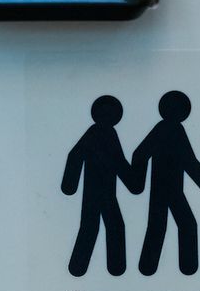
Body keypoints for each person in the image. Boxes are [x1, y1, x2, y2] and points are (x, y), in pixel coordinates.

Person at [130, 90, 200, 276]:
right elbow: (140, 154)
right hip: (166, 189)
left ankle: (154, 267)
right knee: (177, 225)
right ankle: (154, 267)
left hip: (172, 189)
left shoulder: (172, 129)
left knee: (166, 225)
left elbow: (187, 159)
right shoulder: (167, 129)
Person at [61, 95, 144, 277]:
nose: (108, 117)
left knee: (107, 225)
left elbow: (118, 161)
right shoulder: (96, 132)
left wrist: (132, 183)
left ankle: (110, 268)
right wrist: (69, 185)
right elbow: (76, 155)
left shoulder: (108, 133)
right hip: (95, 191)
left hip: (105, 192)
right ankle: (83, 268)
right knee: (95, 226)